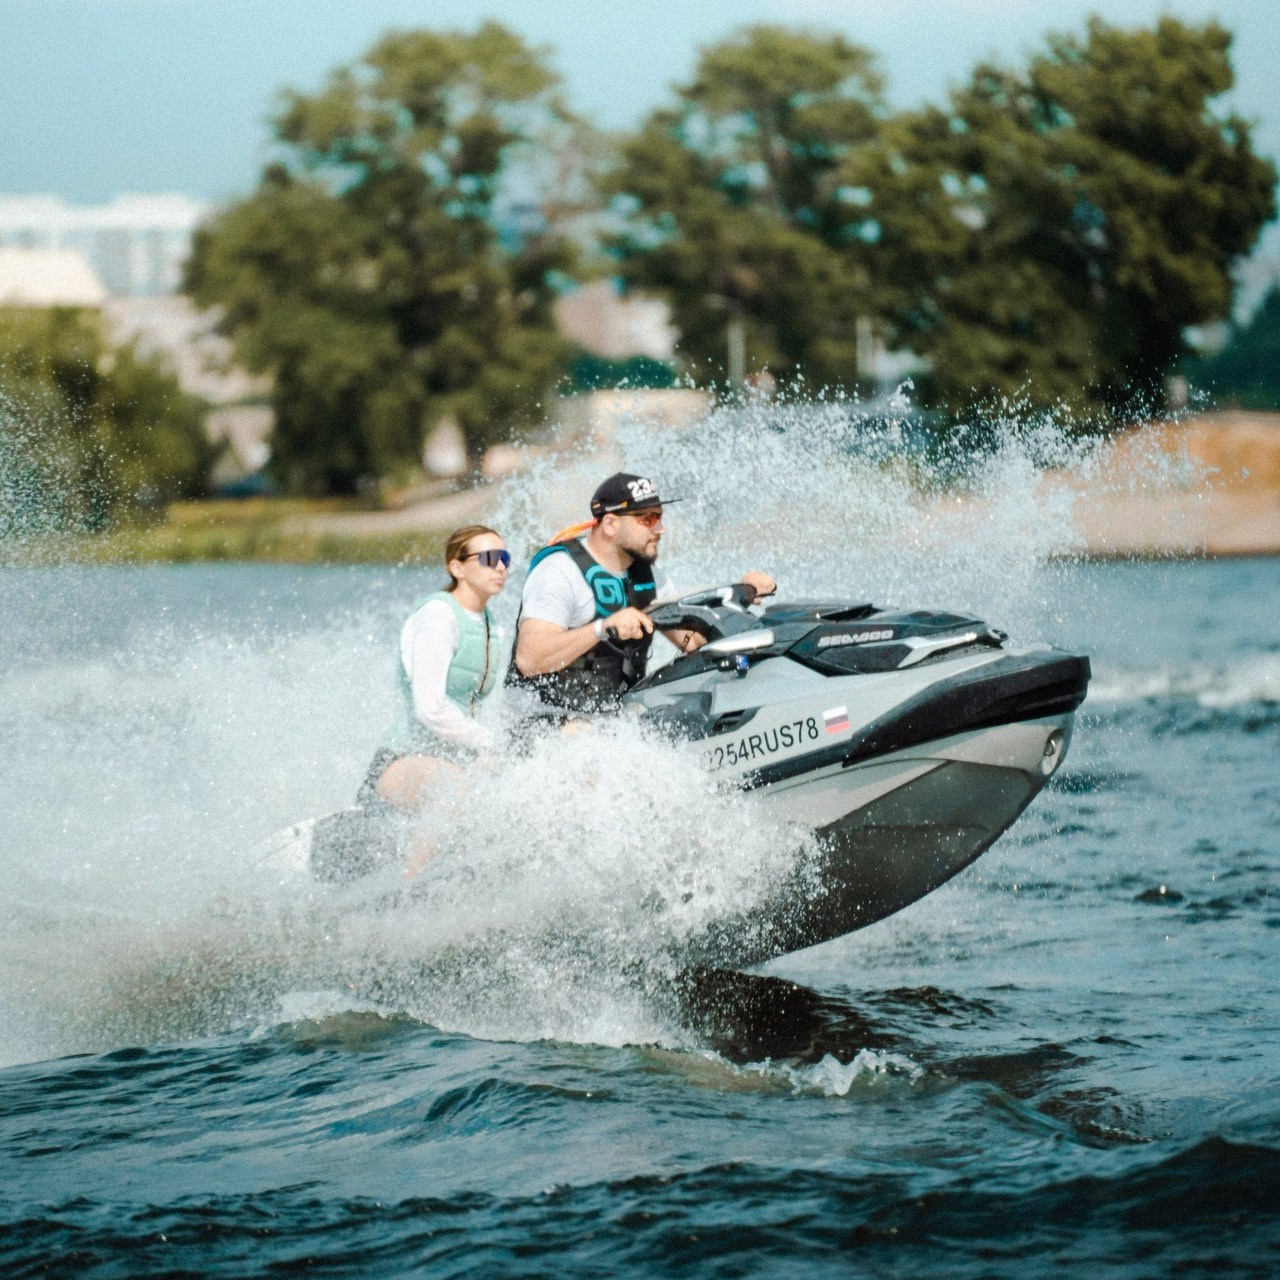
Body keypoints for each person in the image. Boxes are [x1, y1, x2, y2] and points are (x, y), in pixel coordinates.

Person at [506, 472, 775, 716]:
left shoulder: (651, 578)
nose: (660, 529)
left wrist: (740, 594)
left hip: (610, 719)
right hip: (538, 719)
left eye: (659, 518)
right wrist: (602, 628)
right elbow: (530, 659)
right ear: (610, 524)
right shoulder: (559, 572)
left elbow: (690, 643)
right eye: (648, 519)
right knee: (583, 735)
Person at [359, 524, 509, 814]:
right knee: (459, 790)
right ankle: (412, 861)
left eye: (505, 558)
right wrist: (487, 742)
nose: (501, 566)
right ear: (457, 568)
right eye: (489, 558)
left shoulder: (491, 626)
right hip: (402, 761)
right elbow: (429, 707)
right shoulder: (438, 615)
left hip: (453, 759)